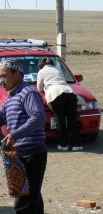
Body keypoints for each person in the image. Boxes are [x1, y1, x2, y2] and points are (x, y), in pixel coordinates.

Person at [0, 58, 47, 214]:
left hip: (32, 154)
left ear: (17, 74)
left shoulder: (28, 92)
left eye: (4, 75)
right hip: (18, 156)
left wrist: (15, 134)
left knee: (24, 202)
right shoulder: (9, 99)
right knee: (32, 197)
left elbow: (38, 117)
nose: (1, 80)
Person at [36, 57, 83, 151]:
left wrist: (46, 88)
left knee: (60, 121)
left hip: (56, 94)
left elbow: (39, 88)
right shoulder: (58, 69)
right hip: (70, 93)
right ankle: (76, 145)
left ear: (40, 65)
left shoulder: (41, 72)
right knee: (72, 120)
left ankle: (63, 145)